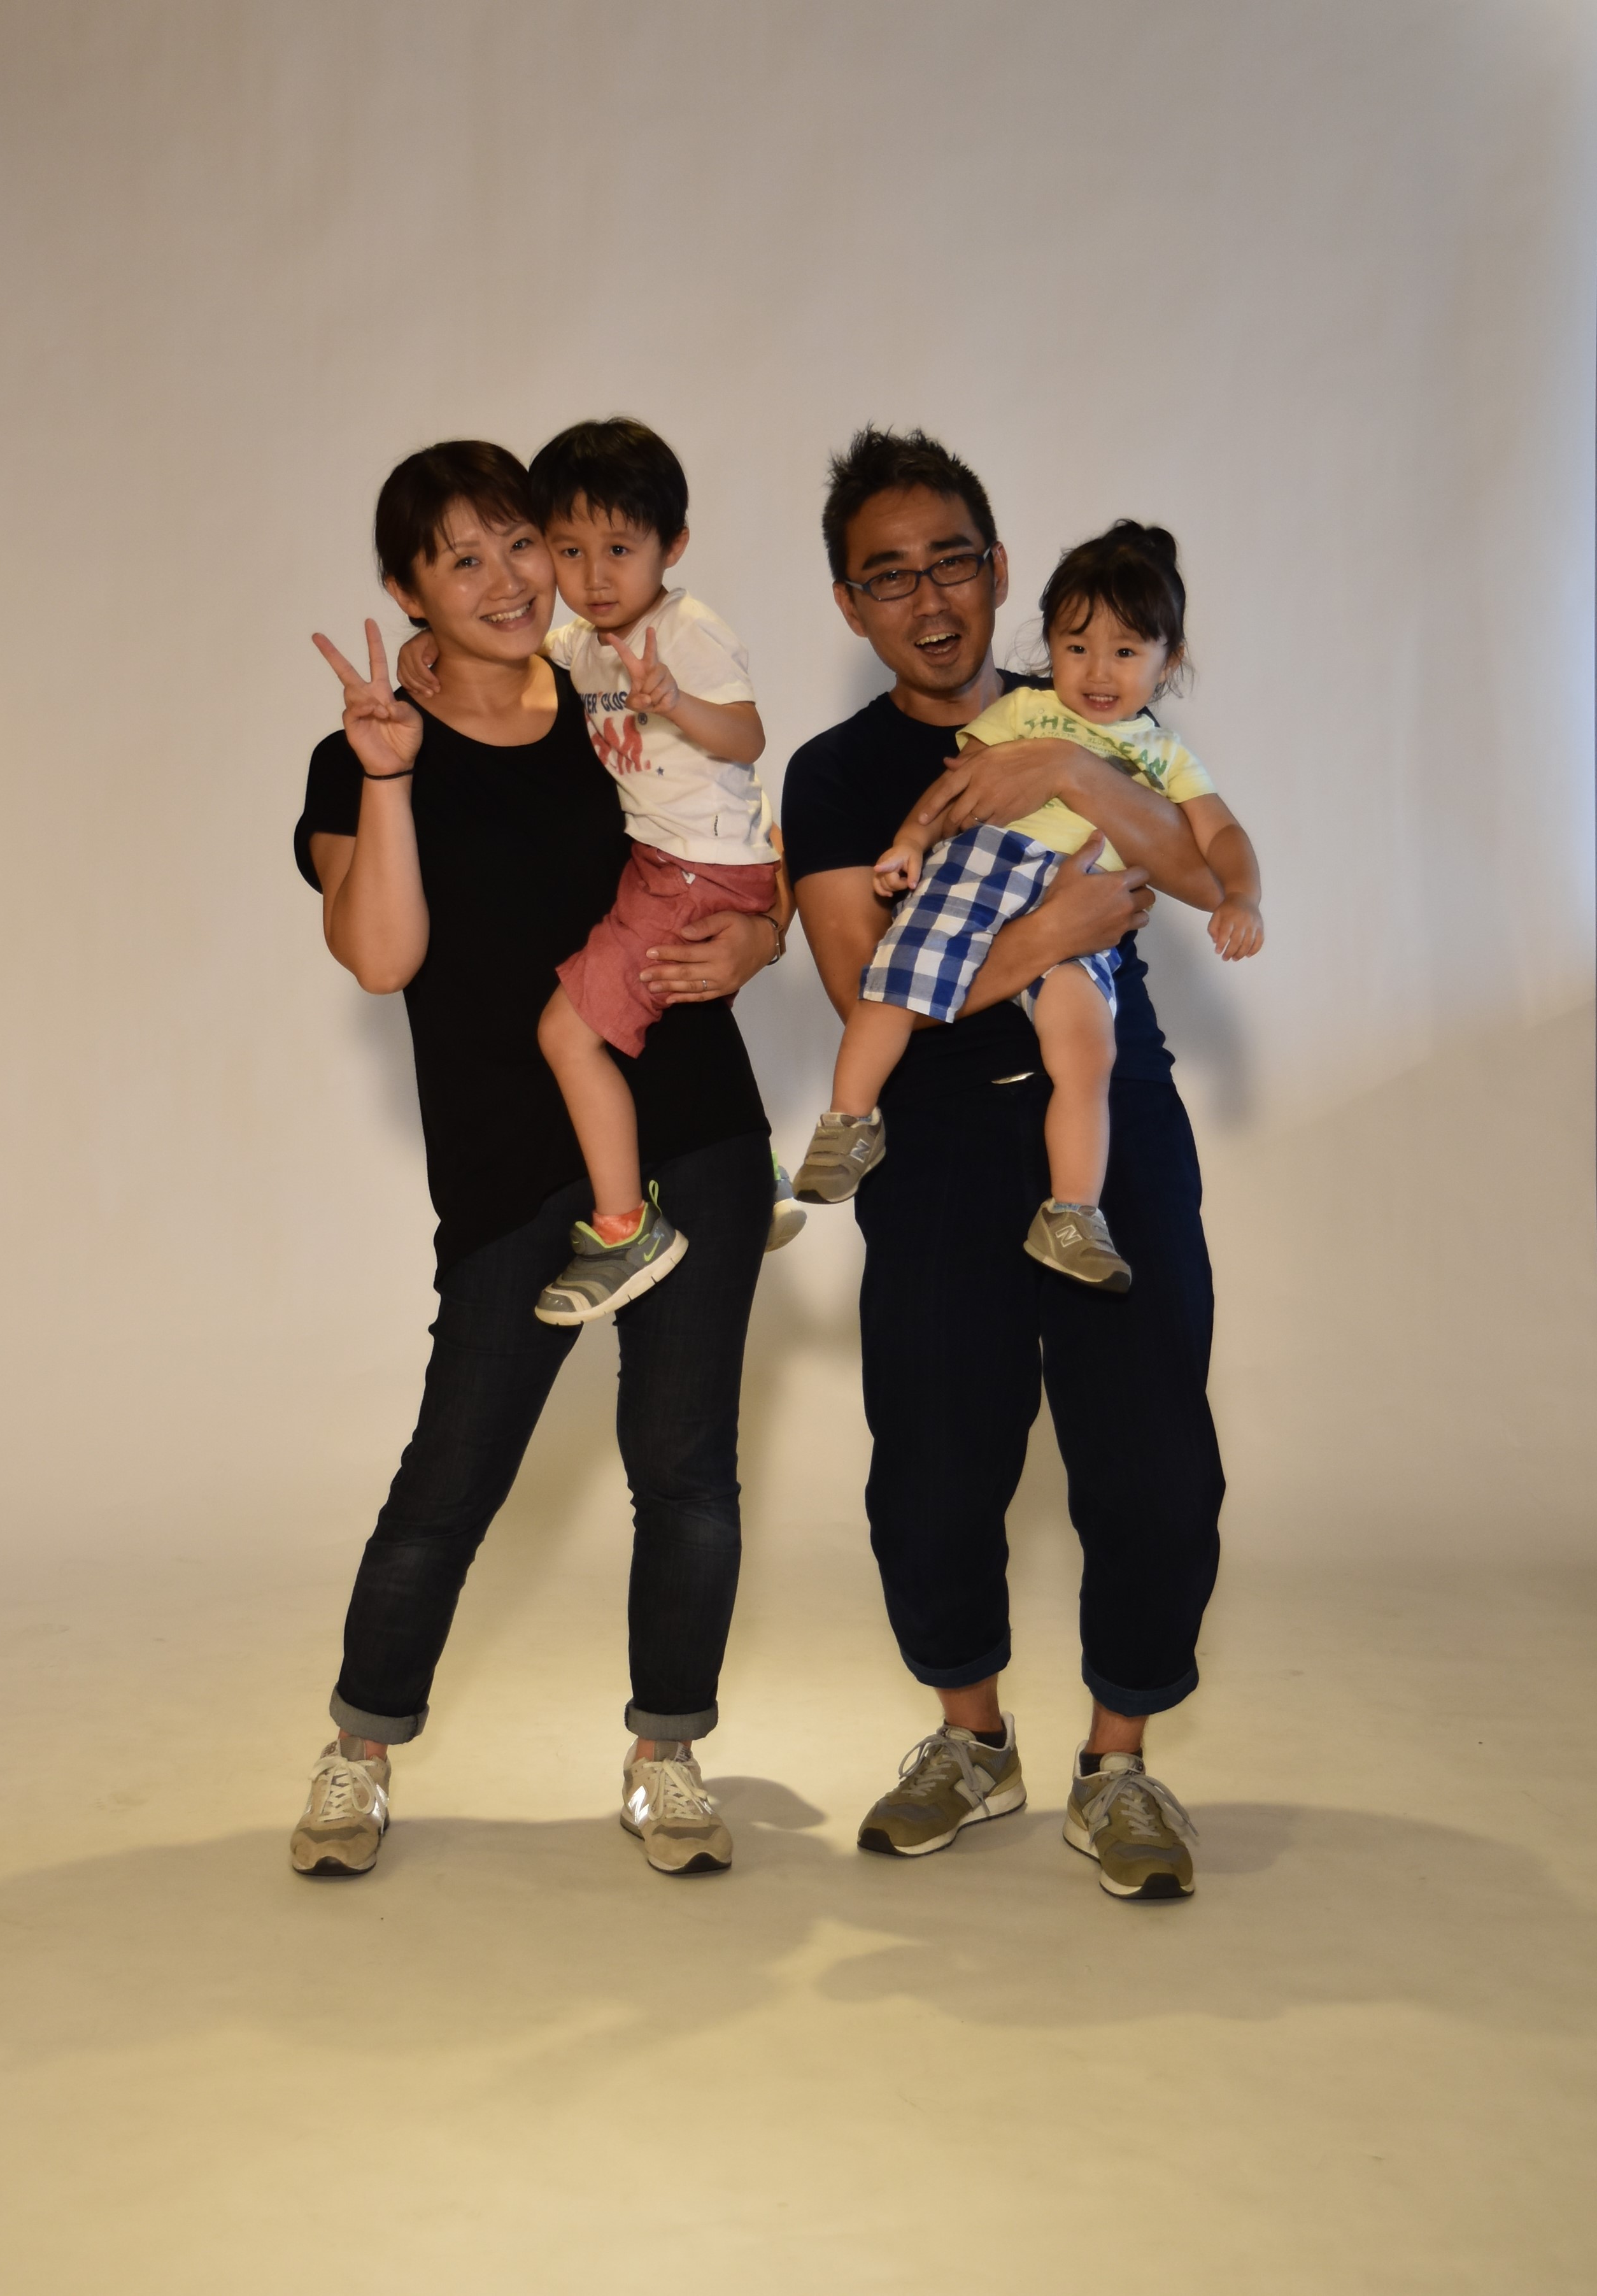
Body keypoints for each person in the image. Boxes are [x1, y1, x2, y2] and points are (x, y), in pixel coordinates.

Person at [289, 439, 788, 1882]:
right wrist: (390, 776)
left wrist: (757, 942)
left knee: (685, 1471)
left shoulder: (606, 687)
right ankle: (361, 1746)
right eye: (464, 560)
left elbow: (726, 843)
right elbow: (381, 957)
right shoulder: (360, 747)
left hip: (687, 1123)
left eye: (525, 544)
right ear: (408, 590)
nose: (512, 580)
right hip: (512, 1162)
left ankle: (665, 1757)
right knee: (453, 1475)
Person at [781, 427, 1228, 1900]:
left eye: (952, 562)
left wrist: (1069, 770)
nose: (928, 597)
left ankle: (1118, 1764)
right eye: (888, 574)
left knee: (1152, 1456)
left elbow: (1197, 868)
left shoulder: (1091, 710)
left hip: (1112, 1128)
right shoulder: (838, 775)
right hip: (936, 1147)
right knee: (930, 1463)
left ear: (998, 570)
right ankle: (970, 1739)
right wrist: (1048, 933)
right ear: (848, 601)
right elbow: (865, 990)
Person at [793, 520, 1263, 1294]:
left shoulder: (1162, 753)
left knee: (1088, 1050)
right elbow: (954, 787)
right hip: (980, 871)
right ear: (1049, 645)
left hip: (1078, 896)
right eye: (1076, 647)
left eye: (1124, 652)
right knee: (892, 983)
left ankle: (1071, 1211)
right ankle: (849, 1120)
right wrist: (911, 840)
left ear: (1167, 661)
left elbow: (1220, 840)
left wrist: (1242, 895)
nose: (1097, 671)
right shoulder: (1024, 711)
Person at [399, 418, 791, 1326]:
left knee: (568, 1033)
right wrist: (427, 646)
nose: (593, 574)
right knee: (654, 1008)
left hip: (696, 869)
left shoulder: (686, 630)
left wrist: (676, 701)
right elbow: (511, 649)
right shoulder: (583, 643)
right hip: (670, 864)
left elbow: (749, 739)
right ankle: (755, 1176)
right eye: (568, 550)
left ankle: (624, 1232)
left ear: (672, 545)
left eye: (619, 549)